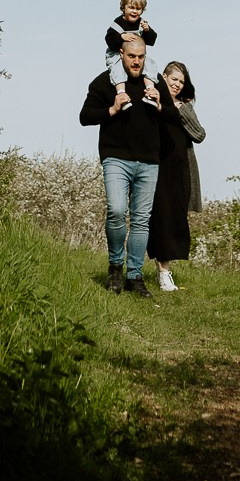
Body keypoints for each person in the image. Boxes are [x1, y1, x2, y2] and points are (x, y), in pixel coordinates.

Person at [79, 32, 182, 296]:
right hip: (116, 158)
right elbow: (85, 116)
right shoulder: (106, 83)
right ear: (121, 55)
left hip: (149, 161)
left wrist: (160, 105)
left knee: (141, 221)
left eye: (141, 57)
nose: (136, 62)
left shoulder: (155, 82)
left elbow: (173, 116)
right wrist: (112, 109)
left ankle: (134, 276)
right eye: (132, 56)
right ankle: (115, 267)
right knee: (115, 210)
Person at [148, 61, 206, 291]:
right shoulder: (153, 99)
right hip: (156, 166)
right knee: (158, 217)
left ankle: (165, 272)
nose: (177, 85)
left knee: (175, 218)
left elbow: (199, 134)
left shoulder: (185, 107)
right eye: (174, 79)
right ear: (164, 77)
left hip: (181, 168)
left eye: (181, 82)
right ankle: (155, 272)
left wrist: (180, 110)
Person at [103, 0, 159, 108]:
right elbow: (109, 40)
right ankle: (122, 94)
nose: (135, 11)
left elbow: (152, 40)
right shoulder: (118, 23)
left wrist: (147, 31)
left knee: (150, 64)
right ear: (123, 8)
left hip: (136, 55)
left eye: (138, 9)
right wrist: (121, 36)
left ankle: (150, 91)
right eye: (131, 8)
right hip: (117, 54)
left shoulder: (141, 23)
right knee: (118, 69)